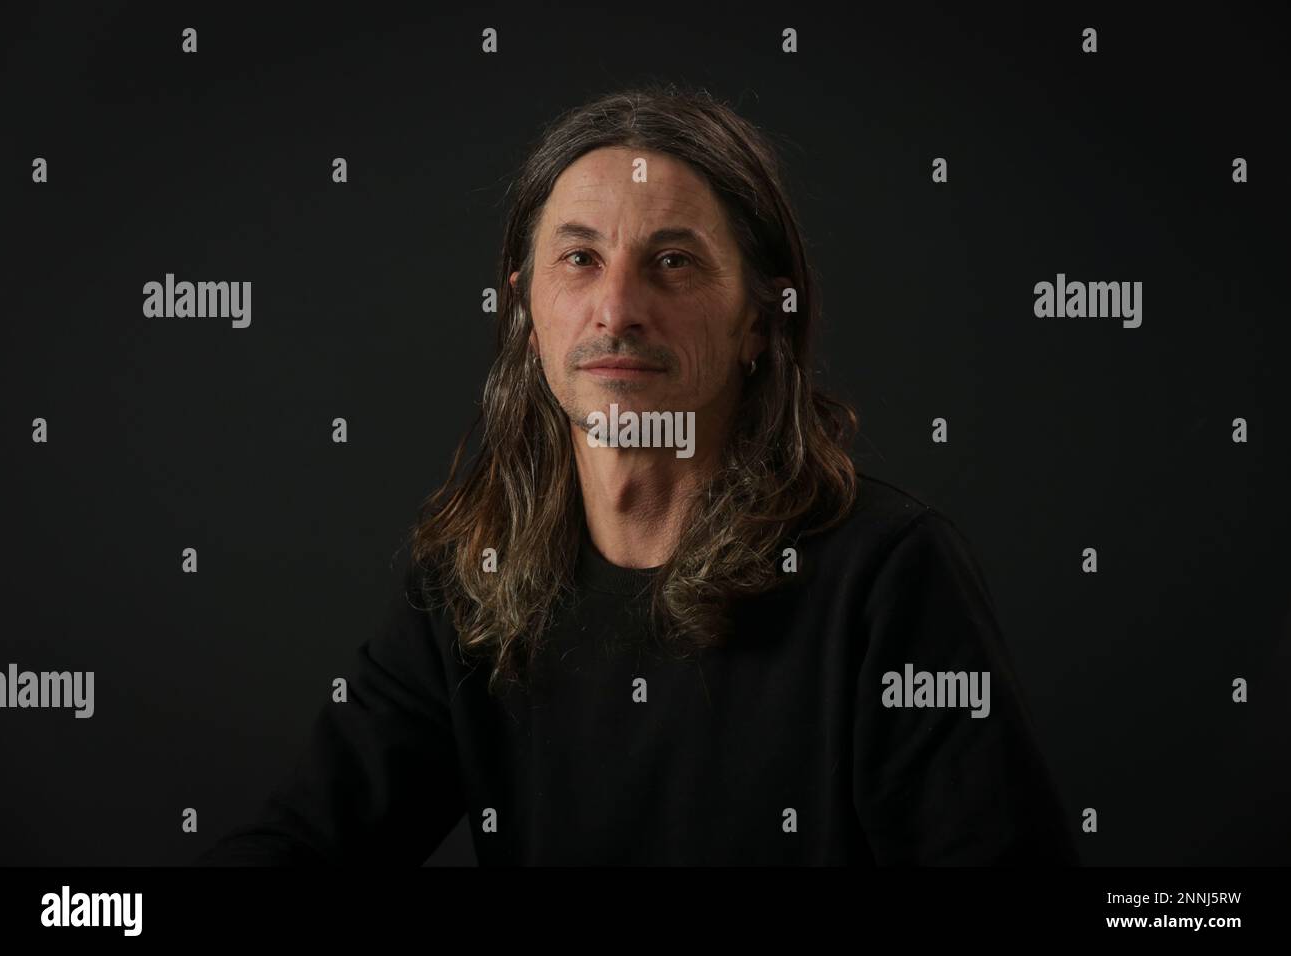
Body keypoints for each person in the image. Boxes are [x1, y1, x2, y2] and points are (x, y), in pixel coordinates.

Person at [195, 85, 1079, 866]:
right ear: (526, 314)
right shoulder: (475, 585)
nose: (617, 309)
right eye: (579, 259)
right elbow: (302, 846)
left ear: (759, 324)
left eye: (674, 262)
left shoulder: (886, 579)